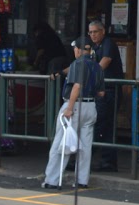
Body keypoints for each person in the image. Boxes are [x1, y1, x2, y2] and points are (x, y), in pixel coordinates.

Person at [41, 38, 100, 191]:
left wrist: (69, 108)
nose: (74, 51)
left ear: (79, 50)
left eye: (75, 49)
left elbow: (77, 86)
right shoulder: (97, 66)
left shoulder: (77, 64)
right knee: (85, 146)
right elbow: (101, 92)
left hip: (74, 106)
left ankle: (52, 180)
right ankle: (82, 180)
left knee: (62, 143)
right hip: (91, 105)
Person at [86, 20, 123, 170]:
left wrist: (90, 75)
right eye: (90, 32)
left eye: (95, 32)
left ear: (103, 31)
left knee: (98, 124)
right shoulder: (95, 47)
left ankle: (83, 158)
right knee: (107, 127)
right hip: (102, 90)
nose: (93, 35)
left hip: (110, 91)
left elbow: (105, 60)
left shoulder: (108, 43)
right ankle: (109, 161)